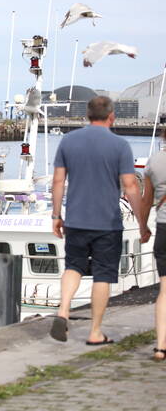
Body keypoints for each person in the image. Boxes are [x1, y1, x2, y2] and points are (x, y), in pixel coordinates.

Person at [50, 96, 151, 344]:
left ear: (87, 115)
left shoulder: (68, 141)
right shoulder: (120, 145)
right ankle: (95, 332)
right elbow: (130, 186)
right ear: (111, 116)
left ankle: (63, 310)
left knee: (73, 267)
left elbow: (58, 181)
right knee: (103, 275)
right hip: (107, 222)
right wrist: (141, 222)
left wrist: (56, 215)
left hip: (75, 218)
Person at [140, 129, 166, 361]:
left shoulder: (154, 161)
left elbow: (146, 200)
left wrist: (142, 228)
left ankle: (160, 346)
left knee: (164, 290)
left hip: (163, 230)